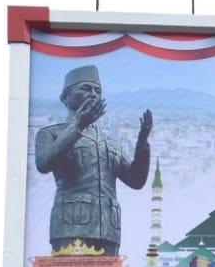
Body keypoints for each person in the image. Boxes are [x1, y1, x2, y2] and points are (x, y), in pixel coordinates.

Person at [34, 64, 153, 253]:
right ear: (65, 97)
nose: (93, 94)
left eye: (97, 91)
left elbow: (136, 180)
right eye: (85, 88)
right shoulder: (50, 133)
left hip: (108, 230)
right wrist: (78, 126)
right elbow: (43, 163)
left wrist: (142, 144)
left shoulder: (110, 143)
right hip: (70, 226)